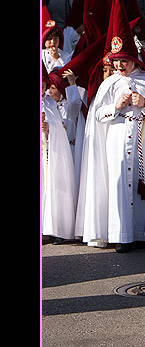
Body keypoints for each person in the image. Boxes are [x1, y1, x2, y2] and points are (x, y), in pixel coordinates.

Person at [76, 0, 145, 252]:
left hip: (142, 139)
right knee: (117, 184)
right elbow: (96, 115)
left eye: (124, 61)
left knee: (143, 182)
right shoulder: (109, 84)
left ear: (133, 59)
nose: (119, 66)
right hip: (115, 140)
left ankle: (140, 233)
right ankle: (119, 235)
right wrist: (114, 107)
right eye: (116, 62)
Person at [42, 65, 77, 245]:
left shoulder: (49, 103)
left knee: (55, 189)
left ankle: (57, 228)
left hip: (53, 153)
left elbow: (59, 126)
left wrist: (50, 128)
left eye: (43, 84)